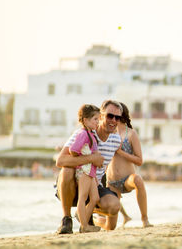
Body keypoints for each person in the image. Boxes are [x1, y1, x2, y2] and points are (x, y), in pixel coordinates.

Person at [55, 100, 123, 233]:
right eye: (110, 116)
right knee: (67, 169)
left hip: (94, 182)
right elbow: (60, 160)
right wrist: (92, 158)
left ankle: (84, 215)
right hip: (74, 182)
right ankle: (66, 219)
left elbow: (114, 169)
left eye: (117, 117)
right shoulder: (83, 133)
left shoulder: (116, 140)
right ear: (102, 116)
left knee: (114, 206)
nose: (113, 120)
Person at [105, 102, 153, 228]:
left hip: (127, 179)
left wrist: (120, 151)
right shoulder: (108, 132)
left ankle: (145, 219)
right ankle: (97, 222)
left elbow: (139, 160)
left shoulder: (131, 134)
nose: (113, 118)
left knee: (138, 180)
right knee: (110, 226)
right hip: (111, 182)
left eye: (116, 114)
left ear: (122, 114)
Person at [69, 104, 101, 233]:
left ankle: (84, 222)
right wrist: (83, 158)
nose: (98, 122)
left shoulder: (90, 134)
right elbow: (73, 149)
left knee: (95, 198)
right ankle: (84, 225)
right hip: (84, 171)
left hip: (90, 172)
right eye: (95, 119)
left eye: (98, 119)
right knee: (82, 197)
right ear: (85, 120)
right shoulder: (83, 134)